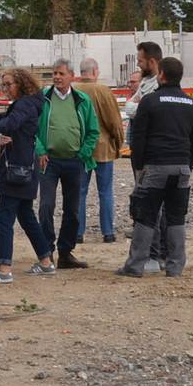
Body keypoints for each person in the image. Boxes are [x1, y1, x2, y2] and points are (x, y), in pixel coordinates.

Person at [123, 56, 193, 277]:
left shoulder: (150, 101)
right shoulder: (192, 104)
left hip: (155, 166)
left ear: (163, 75)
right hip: (181, 168)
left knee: (145, 216)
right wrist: (189, 164)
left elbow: (138, 138)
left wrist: (139, 167)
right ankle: (175, 267)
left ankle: (135, 266)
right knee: (177, 217)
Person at [34, 60, 100, 270]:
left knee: (72, 209)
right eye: (54, 73)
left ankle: (65, 253)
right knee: (46, 206)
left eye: (61, 73)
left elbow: (93, 131)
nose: (57, 77)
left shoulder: (82, 100)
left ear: (72, 76)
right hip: (49, 161)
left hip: (74, 161)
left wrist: (83, 154)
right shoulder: (43, 98)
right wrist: (40, 149)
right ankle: (46, 252)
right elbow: (32, 128)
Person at [0, 68, 48, 283]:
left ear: (21, 83)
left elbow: (9, 123)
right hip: (24, 169)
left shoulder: (24, 105)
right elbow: (1, 117)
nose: (5, 89)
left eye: (8, 84)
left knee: (4, 218)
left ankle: (3, 269)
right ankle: (46, 262)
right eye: (3, 85)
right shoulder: (26, 103)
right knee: (27, 217)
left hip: (16, 171)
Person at [122, 40, 170, 268]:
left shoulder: (157, 85)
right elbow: (131, 107)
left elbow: (136, 110)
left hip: (151, 154)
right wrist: (134, 107)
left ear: (152, 61)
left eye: (141, 60)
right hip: (140, 151)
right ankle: (156, 253)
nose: (139, 64)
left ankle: (156, 254)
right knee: (147, 202)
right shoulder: (145, 84)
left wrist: (134, 108)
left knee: (152, 205)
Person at [77, 56, 128, 245]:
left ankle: (78, 232)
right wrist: (118, 142)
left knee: (79, 192)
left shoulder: (72, 91)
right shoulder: (103, 91)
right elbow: (114, 122)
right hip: (103, 148)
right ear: (95, 72)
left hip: (79, 150)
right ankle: (108, 232)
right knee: (105, 191)